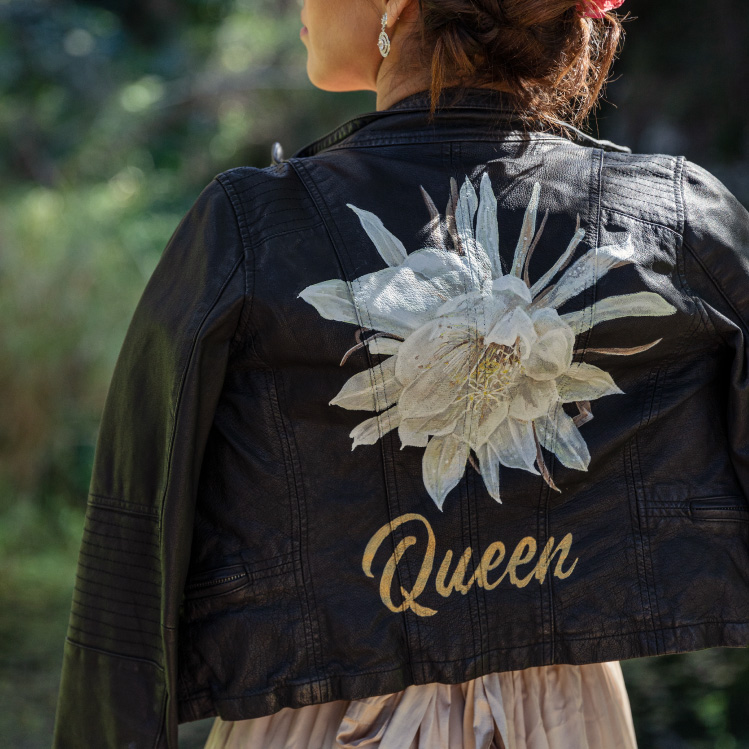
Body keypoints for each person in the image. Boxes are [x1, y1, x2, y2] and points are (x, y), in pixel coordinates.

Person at [53, 0, 749, 747]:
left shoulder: (250, 232)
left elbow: (134, 554)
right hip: (564, 717)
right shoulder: (672, 220)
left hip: (316, 723)